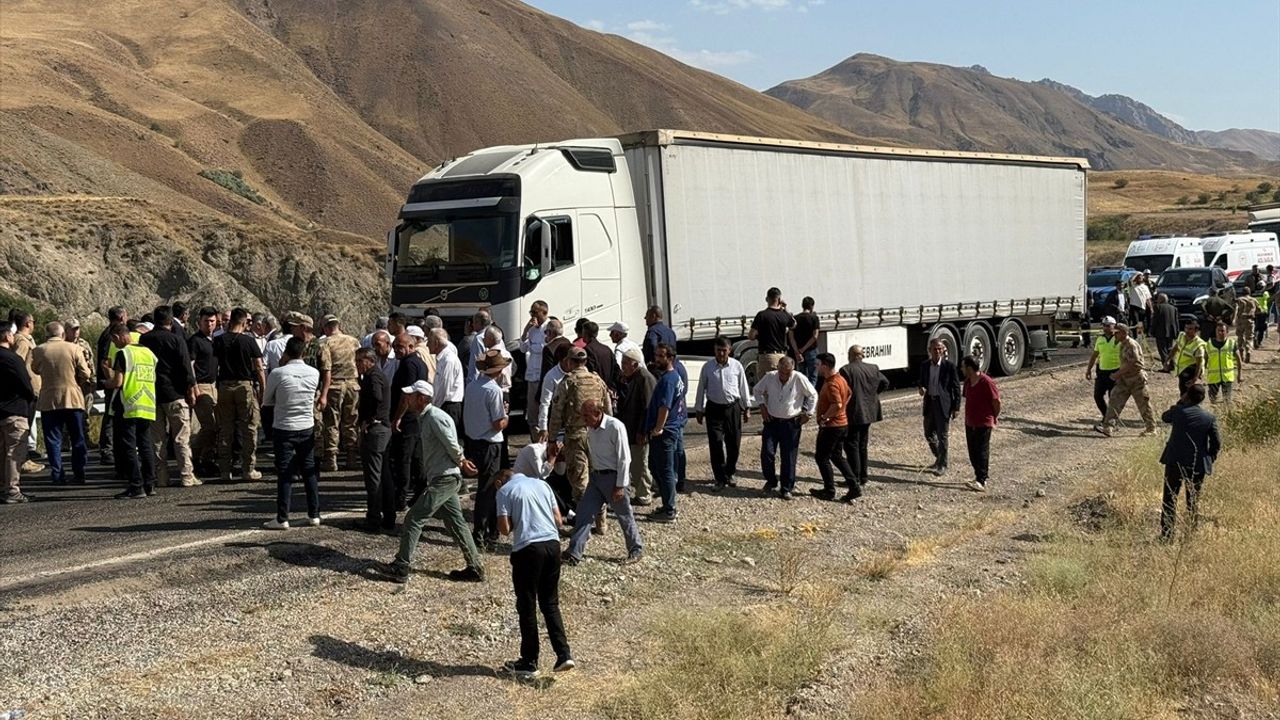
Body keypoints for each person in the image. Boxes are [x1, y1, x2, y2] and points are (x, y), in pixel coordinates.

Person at [372, 380, 485, 584]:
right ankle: (475, 566)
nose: (408, 399)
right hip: (443, 478)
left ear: (422, 398)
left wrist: (461, 461)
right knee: (457, 524)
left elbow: (451, 442)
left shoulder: (434, 417)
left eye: (412, 395)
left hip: (445, 479)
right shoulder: (427, 417)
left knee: (413, 518)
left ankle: (401, 566)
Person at [495, 468, 575, 679]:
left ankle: (529, 661)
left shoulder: (504, 491)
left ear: (499, 481)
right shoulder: (542, 484)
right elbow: (558, 520)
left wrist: (514, 517)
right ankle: (563, 654)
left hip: (528, 549)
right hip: (553, 545)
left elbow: (504, 529)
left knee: (527, 604)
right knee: (550, 603)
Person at [564, 399, 644, 565]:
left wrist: (620, 485)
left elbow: (624, 458)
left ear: (597, 413)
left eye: (586, 416)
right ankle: (574, 552)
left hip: (614, 478)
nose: (584, 420)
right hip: (596, 477)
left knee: (624, 515)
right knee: (584, 513)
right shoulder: (591, 428)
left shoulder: (615, 427)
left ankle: (636, 549)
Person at [261, 337, 322, 529]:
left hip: (284, 426)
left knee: (285, 472)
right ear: (303, 352)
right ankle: (314, 513)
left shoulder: (278, 373)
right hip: (306, 425)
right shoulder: (314, 373)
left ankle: (282, 517)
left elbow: (267, 400)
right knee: (309, 470)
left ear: (286, 353)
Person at [139, 306, 198, 487]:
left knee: (157, 439)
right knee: (181, 437)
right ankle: (186, 475)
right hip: (175, 393)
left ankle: (162, 477)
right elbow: (186, 367)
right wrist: (191, 389)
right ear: (171, 321)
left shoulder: (145, 339)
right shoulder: (176, 339)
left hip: (152, 394)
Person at [32, 321, 92, 485]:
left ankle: (57, 474)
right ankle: (79, 472)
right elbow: (86, 373)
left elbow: (35, 369)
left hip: (49, 399)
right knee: (78, 438)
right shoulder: (74, 348)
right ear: (63, 334)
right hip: (72, 398)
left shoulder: (39, 350)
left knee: (53, 439)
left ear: (46, 335)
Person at [1158, 383, 1219, 541]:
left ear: (1187, 396)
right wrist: (1209, 458)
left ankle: (1167, 535)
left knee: (1170, 498)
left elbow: (1165, 417)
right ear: (1202, 399)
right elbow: (1216, 443)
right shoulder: (1209, 418)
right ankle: (1190, 534)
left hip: (1175, 462)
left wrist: (1181, 401)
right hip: (1197, 465)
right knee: (1193, 500)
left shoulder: (1178, 412)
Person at [105, 323, 159, 499]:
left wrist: (106, 381)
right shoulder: (148, 353)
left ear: (119, 336)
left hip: (129, 404)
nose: (114, 344)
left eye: (114, 340)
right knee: (145, 445)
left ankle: (136, 485)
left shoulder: (124, 353)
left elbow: (118, 382)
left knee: (128, 446)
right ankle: (150, 483)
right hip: (147, 403)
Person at [752, 355, 817, 500]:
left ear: (792, 370)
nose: (784, 376)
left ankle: (786, 487)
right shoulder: (770, 377)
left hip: (791, 423)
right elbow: (757, 390)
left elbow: (812, 395)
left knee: (788, 456)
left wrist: (808, 413)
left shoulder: (798, 378)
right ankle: (771, 481)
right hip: (772, 421)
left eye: (787, 373)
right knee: (767, 453)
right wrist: (762, 406)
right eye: (781, 372)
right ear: (778, 368)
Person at [464, 349, 510, 550]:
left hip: (473, 441)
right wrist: (506, 416)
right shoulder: (493, 390)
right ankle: (481, 533)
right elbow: (498, 423)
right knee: (488, 490)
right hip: (490, 443)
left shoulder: (472, 386)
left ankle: (490, 529)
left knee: (486, 488)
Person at [213, 308, 265, 482]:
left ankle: (224, 471)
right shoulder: (248, 341)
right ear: (243, 323)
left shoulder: (218, 340)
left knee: (225, 429)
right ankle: (248, 469)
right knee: (249, 428)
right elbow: (258, 366)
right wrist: (263, 388)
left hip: (224, 387)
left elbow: (214, 365)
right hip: (244, 386)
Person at [695, 336, 751, 491]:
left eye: (724, 350)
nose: (721, 353)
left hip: (732, 408)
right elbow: (701, 388)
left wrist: (746, 407)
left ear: (729, 350)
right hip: (714, 409)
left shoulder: (737, 366)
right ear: (714, 350)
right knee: (716, 443)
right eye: (718, 350)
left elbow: (743, 387)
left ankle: (730, 472)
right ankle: (719, 478)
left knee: (734, 443)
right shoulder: (707, 367)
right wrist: (699, 409)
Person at [643, 343, 686, 521]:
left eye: (661, 356)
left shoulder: (669, 380)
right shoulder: (673, 376)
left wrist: (658, 428)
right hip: (670, 429)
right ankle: (667, 504)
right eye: (656, 355)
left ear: (670, 358)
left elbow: (664, 407)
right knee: (655, 466)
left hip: (666, 431)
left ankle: (669, 509)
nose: (657, 359)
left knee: (665, 469)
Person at [839, 344, 889, 488]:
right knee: (863, 445)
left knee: (851, 445)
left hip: (854, 411)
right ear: (862, 355)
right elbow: (885, 382)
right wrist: (873, 394)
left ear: (851, 355)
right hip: (869, 411)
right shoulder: (873, 368)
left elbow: (843, 391)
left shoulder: (846, 370)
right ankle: (864, 476)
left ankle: (854, 477)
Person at [810, 353, 858, 502]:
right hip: (842, 424)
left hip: (832, 426)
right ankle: (854, 485)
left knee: (821, 457)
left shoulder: (831, 383)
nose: (816, 368)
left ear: (825, 365)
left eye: (818, 365)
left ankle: (829, 490)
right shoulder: (840, 379)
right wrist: (842, 409)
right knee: (836, 456)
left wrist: (826, 417)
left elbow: (836, 403)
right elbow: (849, 393)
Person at [389, 332, 428, 508]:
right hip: (416, 415)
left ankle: (401, 497)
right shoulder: (418, 362)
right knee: (416, 457)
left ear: (411, 347)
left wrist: (397, 418)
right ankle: (419, 493)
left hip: (409, 417)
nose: (396, 350)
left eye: (400, 346)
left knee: (404, 459)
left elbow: (407, 394)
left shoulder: (409, 365)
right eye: (394, 346)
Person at [356, 347, 393, 532]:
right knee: (383, 475)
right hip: (382, 428)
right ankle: (388, 517)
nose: (357, 365)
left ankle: (373, 519)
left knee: (374, 477)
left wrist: (369, 420)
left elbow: (377, 398)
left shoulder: (373, 377)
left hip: (376, 429)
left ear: (369, 360)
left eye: (359, 361)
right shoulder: (373, 376)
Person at [317, 316, 361, 471]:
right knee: (351, 422)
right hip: (353, 384)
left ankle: (331, 459)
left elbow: (326, 368)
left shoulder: (325, 343)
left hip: (334, 385)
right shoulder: (353, 341)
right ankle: (351, 457)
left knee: (331, 422)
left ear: (325, 327)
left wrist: (323, 392)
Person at [1097, 323, 1155, 437]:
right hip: (1124, 379)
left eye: (1117, 333)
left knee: (1143, 404)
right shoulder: (1122, 344)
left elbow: (1133, 363)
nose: (1115, 335)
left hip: (1136, 379)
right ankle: (1108, 427)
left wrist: (1117, 374)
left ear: (1124, 333)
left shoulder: (1131, 345)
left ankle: (1151, 429)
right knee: (1115, 400)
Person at [1, 322, 37, 503]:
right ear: (7, 336)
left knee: (2, 452)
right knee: (15, 452)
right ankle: (12, 490)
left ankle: (3, 488)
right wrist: (30, 398)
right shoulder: (13, 359)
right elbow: (26, 383)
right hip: (14, 410)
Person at [617, 347, 657, 505]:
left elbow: (647, 408)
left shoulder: (644, 378)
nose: (623, 366)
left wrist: (643, 431)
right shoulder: (631, 377)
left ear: (635, 364)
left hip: (638, 430)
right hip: (630, 428)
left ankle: (644, 495)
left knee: (640, 464)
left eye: (625, 363)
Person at [918, 338, 961, 475]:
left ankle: (943, 464)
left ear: (943, 350)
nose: (937, 351)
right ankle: (939, 457)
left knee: (942, 436)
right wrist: (921, 387)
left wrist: (956, 407)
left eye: (939, 349)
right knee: (929, 433)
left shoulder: (949, 366)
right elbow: (921, 381)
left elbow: (956, 388)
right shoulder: (925, 365)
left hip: (943, 404)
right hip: (930, 402)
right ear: (929, 351)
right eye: (934, 349)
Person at [187, 307, 220, 476]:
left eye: (212, 321)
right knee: (208, 426)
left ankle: (208, 459)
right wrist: (194, 387)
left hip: (214, 386)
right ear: (199, 322)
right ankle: (195, 457)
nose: (210, 324)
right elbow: (190, 365)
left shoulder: (215, 340)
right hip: (201, 385)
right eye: (206, 321)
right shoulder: (195, 341)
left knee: (216, 427)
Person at [960, 355, 1001, 492]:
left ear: (970, 368)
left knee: (981, 451)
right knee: (972, 452)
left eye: (963, 366)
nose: (961, 369)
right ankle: (978, 476)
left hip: (983, 423)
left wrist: (993, 416)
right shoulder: (967, 382)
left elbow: (996, 402)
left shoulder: (987, 382)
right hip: (970, 422)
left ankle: (981, 480)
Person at [95, 306, 128, 466]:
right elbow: (105, 362)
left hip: (113, 381)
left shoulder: (106, 333)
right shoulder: (111, 336)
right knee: (110, 415)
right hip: (113, 383)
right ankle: (107, 450)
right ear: (121, 317)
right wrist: (114, 381)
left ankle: (108, 448)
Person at [11, 312, 42, 474]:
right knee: (25, 427)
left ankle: (23, 459)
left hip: (27, 389)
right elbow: (17, 364)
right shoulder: (22, 342)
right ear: (28, 323)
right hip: (27, 389)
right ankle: (22, 460)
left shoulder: (19, 339)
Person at [520, 301, 550, 437]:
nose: (532, 316)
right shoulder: (532, 330)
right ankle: (536, 442)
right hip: (532, 375)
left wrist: (532, 346)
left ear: (544, 313)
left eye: (535, 312)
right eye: (531, 312)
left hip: (543, 376)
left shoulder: (549, 329)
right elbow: (522, 348)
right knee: (532, 414)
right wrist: (526, 330)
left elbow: (543, 349)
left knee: (544, 412)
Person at [750, 287, 795, 378]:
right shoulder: (784, 315)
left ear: (767, 299)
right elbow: (794, 324)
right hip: (782, 355)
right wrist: (785, 308)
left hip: (767, 357)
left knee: (767, 388)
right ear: (779, 300)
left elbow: (751, 335)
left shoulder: (762, 315)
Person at [427, 328, 464, 431]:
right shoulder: (443, 359)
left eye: (429, 342)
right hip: (444, 405)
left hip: (447, 407)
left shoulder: (448, 360)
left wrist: (434, 409)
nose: (427, 345)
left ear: (437, 343)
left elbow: (444, 389)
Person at [1084, 316, 1121, 420]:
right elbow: (1094, 355)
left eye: (1108, 326)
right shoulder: (1100, 339)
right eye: (1104, 326)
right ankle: (1107, 417)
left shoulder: (1119, 338)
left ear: (1114, 326)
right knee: (1097, 396)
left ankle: (1111, 420)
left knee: (1113, 398)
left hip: (1116, 372)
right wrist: (1088, 369)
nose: (1105, 328)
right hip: (1102, 372)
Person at [1204, 322, 1242, 405]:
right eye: (1218, 331)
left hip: (1227, 377)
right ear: (1215, 331)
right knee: (1212, 401)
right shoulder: (1208, 345)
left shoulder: (1232, 344)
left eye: (1223, 331)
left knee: (1227, 401)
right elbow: (1204, 361)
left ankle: (1227, 416)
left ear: (1227, 332)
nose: (1220, 333)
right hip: (1213, 378)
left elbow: (1239, 360)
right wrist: (1201, 376)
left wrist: (1239, 375)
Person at [64, 319, 94, 414]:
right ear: (66, 331)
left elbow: (91, 361)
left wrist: (92, 378)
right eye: (73, 329)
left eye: (77, 329)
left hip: (85, 383)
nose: (75, 331)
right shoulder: (63, 345)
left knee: (85, 413)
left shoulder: (83, 344)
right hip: (70, 382)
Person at [790, 296, 821, 384]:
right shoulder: (814, 318)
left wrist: (797, 351)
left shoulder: (795, 318)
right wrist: (804, 348)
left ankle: (802, 396)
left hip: (798, 352)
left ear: (802, 305)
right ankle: (811, 396)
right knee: (813, 376)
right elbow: (815, 336)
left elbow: (791, 336)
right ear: (812, 306)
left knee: (801, 376)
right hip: (811, 351)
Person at [581, 321, 619, 390]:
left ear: (585, 333)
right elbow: (616, 370)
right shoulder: (607, 349)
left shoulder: (587, 350)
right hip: (608, 389)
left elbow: (589, 372)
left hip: (596, 390)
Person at [1149, 293, 1179, 368]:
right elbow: (1176, 321)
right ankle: (1172, 365)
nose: (1157, 300)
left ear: (1161, 299)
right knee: (1170, 349)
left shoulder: (1158, 307)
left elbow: (1155, 320)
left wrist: (1152, 331)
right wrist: (1176, 331)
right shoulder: (1173, 308)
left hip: (1161, 331)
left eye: (1158, 299)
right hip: (1171, 331)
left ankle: (1166, 366)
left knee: (1162, 350)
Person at [464, 310, 492, 386]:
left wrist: (471, 384)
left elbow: (476, 361)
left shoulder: (478, 338)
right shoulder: (493, 335)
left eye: (474, 322)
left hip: (478, 382)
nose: (472, 324)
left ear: (478, 322)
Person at [1233, 291, 1258, 363]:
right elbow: (1259, 310)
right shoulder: (1253, 300)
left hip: (1240, 320)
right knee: (1249, 337)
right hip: (1250, 320)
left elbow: (1235, 309)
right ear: (1249, 293)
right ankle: (1248, 351)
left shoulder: (1239, 299)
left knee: (1240, 337)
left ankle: (1241, 354)